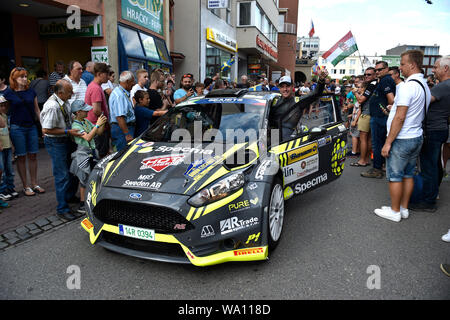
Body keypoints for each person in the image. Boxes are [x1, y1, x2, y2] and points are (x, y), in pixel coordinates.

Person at [374, 50, 431, 222]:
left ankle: (395, 211)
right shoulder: (424, 85)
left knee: (395, 176)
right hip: (416, 136)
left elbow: (400, 116)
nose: (400, 67)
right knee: (408, 174)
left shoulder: (408, 86)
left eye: (403, 63)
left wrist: (388, 142)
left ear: (412, 65)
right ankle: (403, 208)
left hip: (403, 138)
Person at [409, 55, 450, 212]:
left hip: (433, 130)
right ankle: (431, 195)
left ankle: (428, 201)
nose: (433, 70)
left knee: (429, 167)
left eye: (436, 67)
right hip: (439, 129)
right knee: (434, 165)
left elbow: (422, 101)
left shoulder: (443, 86)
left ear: (445, 68)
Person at [40, 79, 83, 220]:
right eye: (70, 91)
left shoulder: (63, 101)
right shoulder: (52, 106)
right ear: (60, 92)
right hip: (55, 141)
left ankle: (69, 197)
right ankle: (62, 208)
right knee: (62, 174)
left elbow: (68, 117)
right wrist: (68, 132)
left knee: (73, 169)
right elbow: (46, 129)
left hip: (65, 138)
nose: (72, 93)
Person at [3, 67, 43, 196]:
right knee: (21, 156)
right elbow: (4, 111)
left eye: (26, 76)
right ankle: (25, 186)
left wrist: (43, 127)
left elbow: (37, 110)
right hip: (17, 127)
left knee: (33, 155)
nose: (25, 79)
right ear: (14, 79)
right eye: (21, 77)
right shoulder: (8, 93)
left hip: (31, 126)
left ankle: (34, 183)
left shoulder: (31, 92)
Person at [269, 69, 328, 141]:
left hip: (289, 137)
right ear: (279, 88)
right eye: (282, 86)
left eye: (287, 86)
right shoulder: (274, 100)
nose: (285, 89)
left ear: (292, 86)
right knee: (266, 150)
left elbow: (316, 94)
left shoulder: (298, 101)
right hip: (273, 133)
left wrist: (321, 80)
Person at [70, 100, 107, 214]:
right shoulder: (76, 125)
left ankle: (90, 200)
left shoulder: (86, 122)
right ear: (78, 112)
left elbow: (98, 132)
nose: (87, 111)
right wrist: (97, 124)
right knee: (83, 180)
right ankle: (82, 204)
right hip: (82, 156)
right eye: (85, 110)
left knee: (92, 178)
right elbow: (88, 137)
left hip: (91, 154)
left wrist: (102, 123)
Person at [361, 61, 396, 179]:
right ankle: (379, 167)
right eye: (376, 70)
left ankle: (377, 169)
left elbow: (391, 99)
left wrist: (386, 111)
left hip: (380, 118)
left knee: (377, 144)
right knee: (378, 143)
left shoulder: (386, 80)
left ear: (386, 69)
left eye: (380, 70)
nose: (377, 72)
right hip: (378, 117)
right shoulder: (382, 80)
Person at [350, 68, 377, 167]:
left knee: (363, 139)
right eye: (365, 74)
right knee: (368, 139)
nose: (366, 76)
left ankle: (362, 160)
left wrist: (355, 93)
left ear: (375, 75)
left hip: (366, 114)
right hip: (371, 114)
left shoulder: (371, 86)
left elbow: (361, 100)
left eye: (369, 75)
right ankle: (366, 159)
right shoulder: (374, 84)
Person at [85, 62, 111, 158]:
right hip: (98, 128)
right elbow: (96, 110)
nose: (108, 77)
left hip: (95, 127)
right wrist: (106, 120)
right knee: (100, 156)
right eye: (106, 74)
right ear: (99, 74)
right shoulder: (95, 88)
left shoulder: (94, 86)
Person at [109, 70, 136, 152]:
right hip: (122, 130)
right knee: (123, 154)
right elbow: (120, 117)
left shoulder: (122, 93)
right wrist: (127, 134)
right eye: (132, 82)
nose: (134, 84)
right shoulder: (119, 95)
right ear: (127, 82)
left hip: (124, 129)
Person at [0, 95, 17, 202]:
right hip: (1, 147)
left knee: (9, 168)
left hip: (7, 145)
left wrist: (11, 144)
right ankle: (3, 190)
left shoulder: (4, 116)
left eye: (4, 106)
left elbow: (7, 131)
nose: (3, 108)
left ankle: (10, 187)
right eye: (0, 106)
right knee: (2, 169)